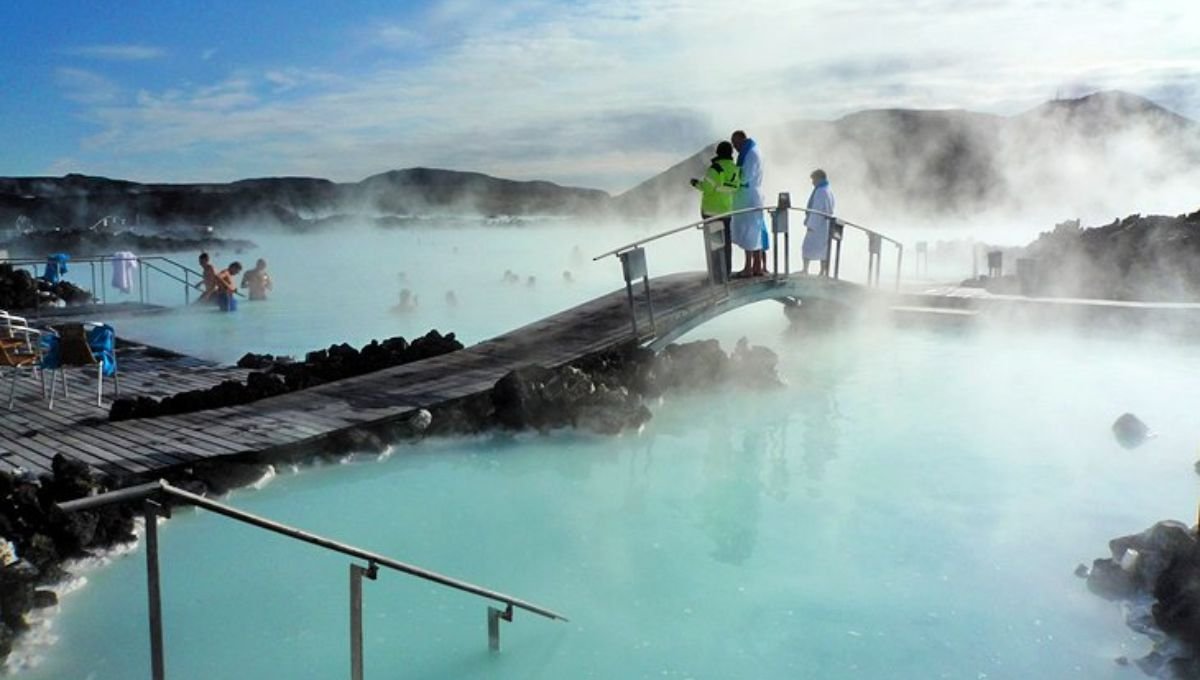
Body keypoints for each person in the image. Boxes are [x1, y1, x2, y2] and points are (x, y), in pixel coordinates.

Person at [690, 141, 740, 277]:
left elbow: (707, 188)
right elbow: (735, 187)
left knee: (714, 245)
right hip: (727, 211)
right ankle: (726, 272)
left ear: (718, 153)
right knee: (726, 244)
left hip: (711, 212)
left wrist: (695, 183)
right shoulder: (735, 169)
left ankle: (716, 275)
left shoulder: (715, 169)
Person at [730, 130, 769, 277]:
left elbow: (745, 177)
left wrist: (733, 175)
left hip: (749, 196)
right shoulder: (753, 150)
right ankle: (756, 267)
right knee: (754, 232)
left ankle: (749, 268)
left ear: (741, 140)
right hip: (752, 196)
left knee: (749, 232)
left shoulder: (750, 154)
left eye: (735, 144)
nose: (735, 148)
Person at [802, 169, 836, 276]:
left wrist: (810, 225)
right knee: (823, 250)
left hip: (817, 225)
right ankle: (822, 271)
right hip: (825, 225)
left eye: (813, 179)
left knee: (807, 247)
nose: (812, 182)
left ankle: (805, 270)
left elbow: (817, 210)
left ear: (819, 178)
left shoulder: (821, 191)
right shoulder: (828, 189)